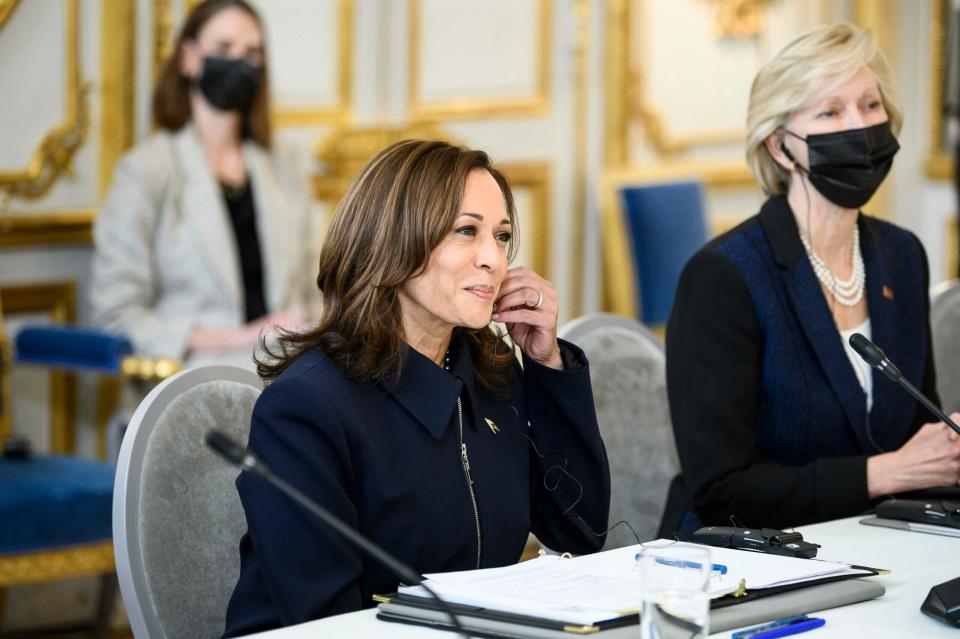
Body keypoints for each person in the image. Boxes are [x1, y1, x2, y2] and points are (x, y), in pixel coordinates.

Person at [223, 139, 611, 635]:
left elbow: (578, 530)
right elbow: (329, 623)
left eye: (502, 235)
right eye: (466, 232)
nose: (493, 259)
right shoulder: (305, 408)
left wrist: (546, 364)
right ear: (393, 243)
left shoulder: (492, 372)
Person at [664, 23, 960, 533]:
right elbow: (719, 492)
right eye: (830, 111)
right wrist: (882, 474)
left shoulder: (901, 255)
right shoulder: (723, 277)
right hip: (747, 563)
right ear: (781, 148)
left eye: (870, 106)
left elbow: (917, 440)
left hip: (881, 548)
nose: (860, 128)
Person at [91, 0, 312, 369]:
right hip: (192, 383)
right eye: (224, 49)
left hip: (288, 376)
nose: (239, 63)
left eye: (253, 53)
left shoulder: (285, 165)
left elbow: (316, 290)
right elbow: (116, 313)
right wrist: (242, 338)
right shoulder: (145, 171)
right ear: (189, 58)